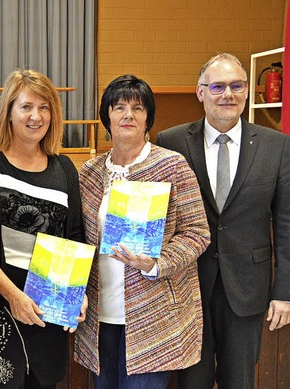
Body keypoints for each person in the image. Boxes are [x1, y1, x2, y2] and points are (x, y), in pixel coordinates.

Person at [156, 53, 290, 389]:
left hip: (248, 288)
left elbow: (288, 224)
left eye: (237, 86)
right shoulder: (172, 142)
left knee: (239, 381)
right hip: (188, 286)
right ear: (200, 92)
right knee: (193, 382)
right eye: (218, 86)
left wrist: (287, 293)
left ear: (247, 91)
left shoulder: (275, 146)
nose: (228, 94)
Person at [73, 74, 211, 388]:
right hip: (99, 316)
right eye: (119, 107)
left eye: (137, 108)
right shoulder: (90, 172)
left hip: (154, 316)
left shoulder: (172, 166)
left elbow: (197, 232)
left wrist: (156, 263)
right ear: (106, 115)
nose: (128, 115)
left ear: (148, 116)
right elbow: (78, 237)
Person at [0, 69, 87, 389]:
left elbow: (74, 238)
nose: (36, 116)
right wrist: (13, 297)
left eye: (44, 107)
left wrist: (78, 292)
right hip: (1, 310)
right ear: (9, 112)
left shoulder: (64, 169)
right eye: (27, 107)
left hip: (49, 314)